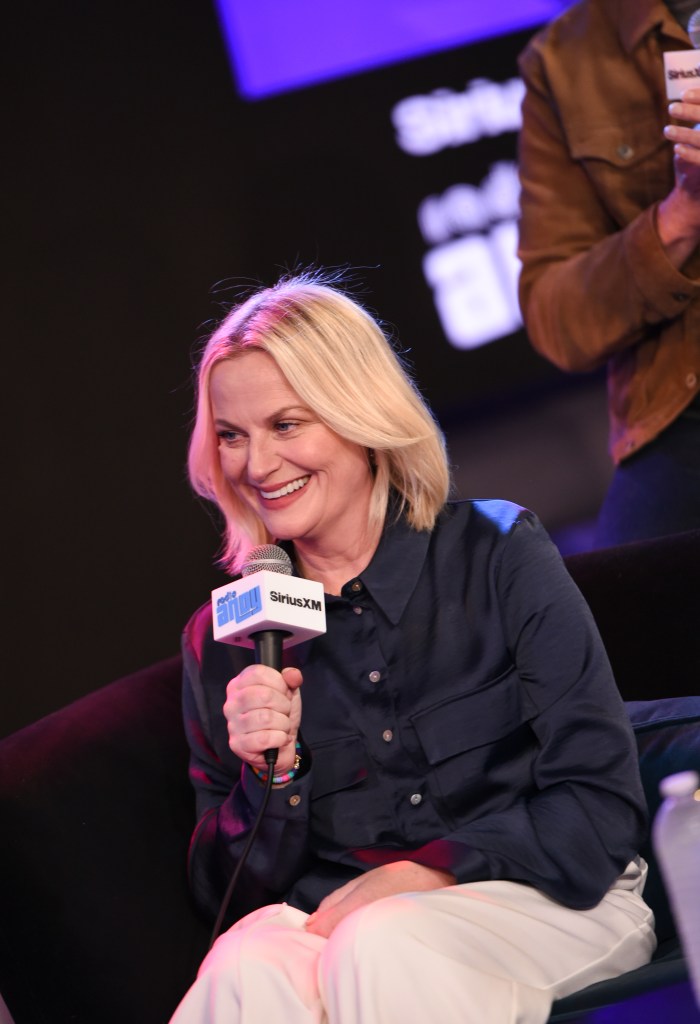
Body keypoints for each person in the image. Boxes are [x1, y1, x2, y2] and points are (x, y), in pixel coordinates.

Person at [170, 272, 655, 1024]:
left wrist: (425, 874)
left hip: (551, 896)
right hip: (340, 926)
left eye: (287, 425)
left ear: (358, 413)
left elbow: (598, 810)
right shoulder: (226, 638)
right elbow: (229, 897)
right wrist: (273, 776)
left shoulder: (496, 553)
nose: (257, 466)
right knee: (244, 959)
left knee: (381, 938)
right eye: (233, 435)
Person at [517, 0, 700, 547]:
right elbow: (555, 315)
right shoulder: (563, 61)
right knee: (622, 607)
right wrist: (681, 218)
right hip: (684, 409)